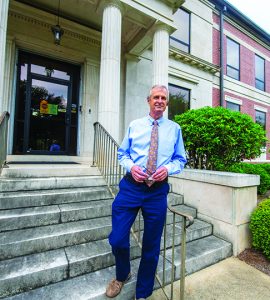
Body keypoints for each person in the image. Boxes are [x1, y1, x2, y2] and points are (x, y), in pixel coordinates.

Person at [105, 85, 186, 300]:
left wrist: (167, 169)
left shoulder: (174, 129)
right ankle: (122, 274)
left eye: (163, 98)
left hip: (157, 193)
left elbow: (180, 160)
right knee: (117, 239)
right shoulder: (135, 125)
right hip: (131, 188)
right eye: (155, 97)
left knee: (151, 244)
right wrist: (131, 167)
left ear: (167, 103)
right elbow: (122, 154)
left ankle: (143, 292)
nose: (159, 101)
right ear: (148, 100)